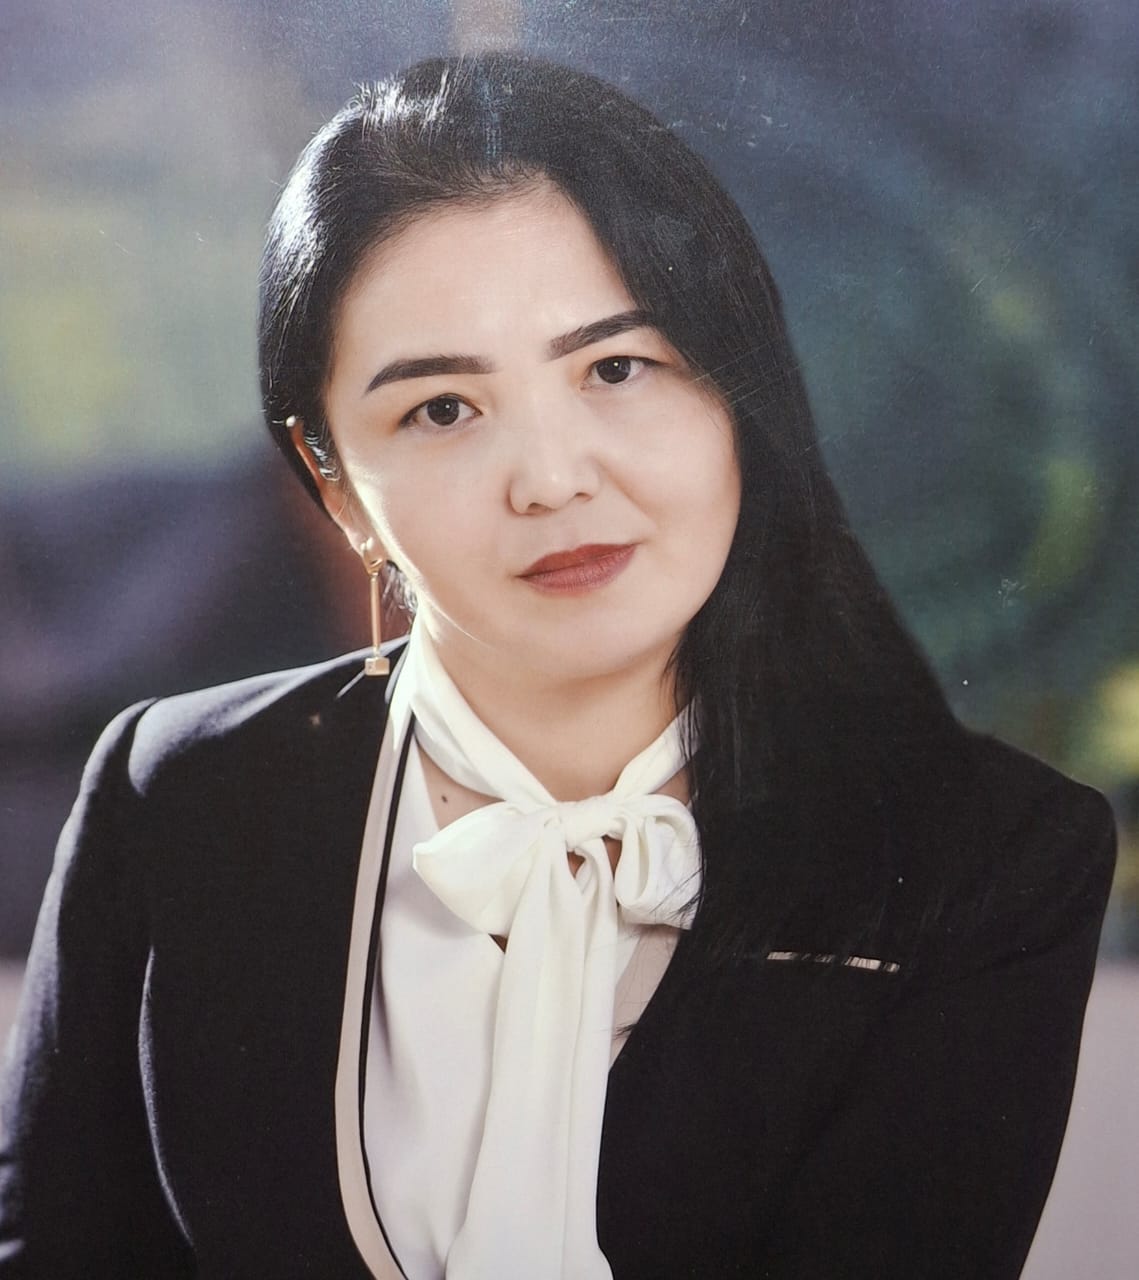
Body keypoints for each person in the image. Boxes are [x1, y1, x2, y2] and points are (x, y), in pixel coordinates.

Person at [0, 52, 1117, 1280]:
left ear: (740, 396)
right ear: (333, 482)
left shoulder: (988, 855)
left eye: (615, 369)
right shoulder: (177, 791)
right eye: (440, 408)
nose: (549, 478)